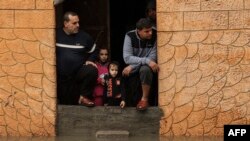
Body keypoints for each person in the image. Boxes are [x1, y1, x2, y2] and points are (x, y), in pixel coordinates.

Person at [56, 11, 98, 107]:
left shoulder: (85, 37)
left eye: (78, 22)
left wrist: (90, 60)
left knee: (92, 70)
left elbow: (95, 50)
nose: (78, 25)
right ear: (66, 24)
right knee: (65, 103)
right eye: (74, 23)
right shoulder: (55, 35)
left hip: (77, 75)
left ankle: (84, 97)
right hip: (59, 77)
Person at [122, 18, 159, 111]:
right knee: (124, 74)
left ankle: (144, 99)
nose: (150, 33)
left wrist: (133, 65)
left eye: (150, 30)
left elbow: (153, 58)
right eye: (146, 31)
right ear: (138, 31)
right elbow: (127, 58)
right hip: (135, 68)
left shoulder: (155, 35)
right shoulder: (129, 36)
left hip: (145, 68)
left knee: (145, 69)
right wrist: (146, 61)